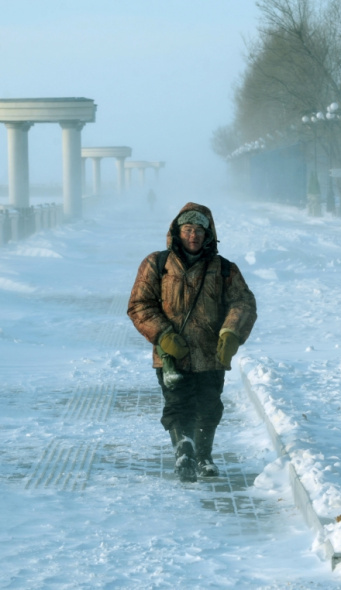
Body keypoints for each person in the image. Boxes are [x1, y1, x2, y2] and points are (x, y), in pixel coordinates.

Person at [127, 202, 257, 483]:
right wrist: (163, 334)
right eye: (188, 229)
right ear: (177, 231)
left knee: (209, 407)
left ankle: (204, 456)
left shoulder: (224, 269)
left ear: (208, 235)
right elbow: (139, 305)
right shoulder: (156, 264)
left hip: (212, 354)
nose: (193, 235)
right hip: (171, 355)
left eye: (199, 230)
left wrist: (230, 333)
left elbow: (243, 302)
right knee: (177, 404)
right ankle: (184, 451)